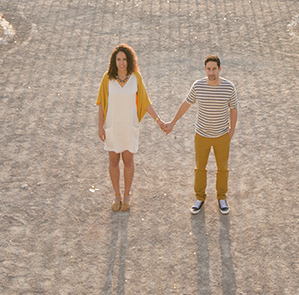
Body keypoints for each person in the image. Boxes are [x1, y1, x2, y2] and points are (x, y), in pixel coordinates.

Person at [163, 55, 237, 215]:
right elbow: (185, 105)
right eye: (208, 69)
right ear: (205, 69)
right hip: (201, 135)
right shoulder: (198, 86)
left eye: (214, 69)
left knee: (222, 168)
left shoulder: (229, 87)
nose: (211, 72)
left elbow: (234, 108)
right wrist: (173, 122)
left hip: (222, 135)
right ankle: (199, 198)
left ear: (220, 69)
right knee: (200, 168)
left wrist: (231, 131)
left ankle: (222, 198)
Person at [96, 43, 164, 213]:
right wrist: (100, 127)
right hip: (112, 126)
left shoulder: (135, 78)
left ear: (129, 61)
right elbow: (102, 103)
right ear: (114, 61)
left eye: (124, 59)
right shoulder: (107, 78)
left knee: (127, 161)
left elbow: (145, 102)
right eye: (118, 59)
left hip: (128, 126)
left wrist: (159, 121)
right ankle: (117, 195)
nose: (121, 63)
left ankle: (127, 195)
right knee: (113, 161)